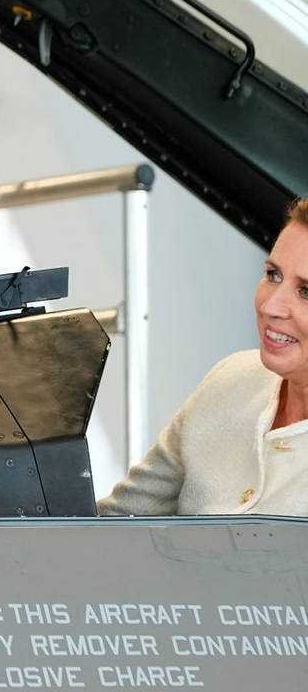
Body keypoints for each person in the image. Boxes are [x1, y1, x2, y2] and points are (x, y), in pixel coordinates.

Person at [98, 196, 308, 516]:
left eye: (306, 292)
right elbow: (115, 522)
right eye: (273, 275)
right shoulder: (230, 379)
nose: (269, 307)